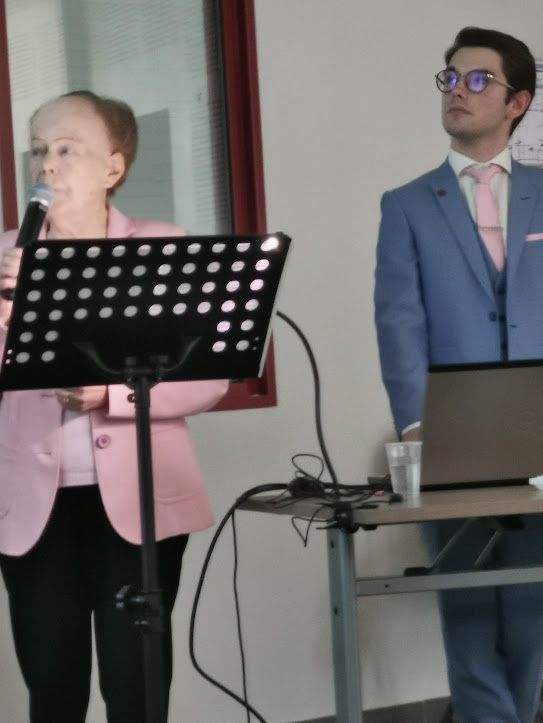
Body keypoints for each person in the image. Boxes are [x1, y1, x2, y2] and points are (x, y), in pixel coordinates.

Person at [0, 90, 228, 723]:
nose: (47, 164)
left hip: (141, 502)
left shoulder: (161, 248)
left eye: (67, 149)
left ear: (114, 167)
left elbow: (207, 380)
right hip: (33, 509)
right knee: (53, 688)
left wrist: (112, 395)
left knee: (138, 686)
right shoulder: (5, 257)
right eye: (38, 150)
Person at [374, 27, 543, 723]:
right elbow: (398, 321)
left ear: (517, 102)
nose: (458, 90)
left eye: (478, 80)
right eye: (449, 78)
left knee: (533, 599)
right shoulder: (407, 204)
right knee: (466, 599)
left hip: (537, 429)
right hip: (449, 432)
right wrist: (417, 424)